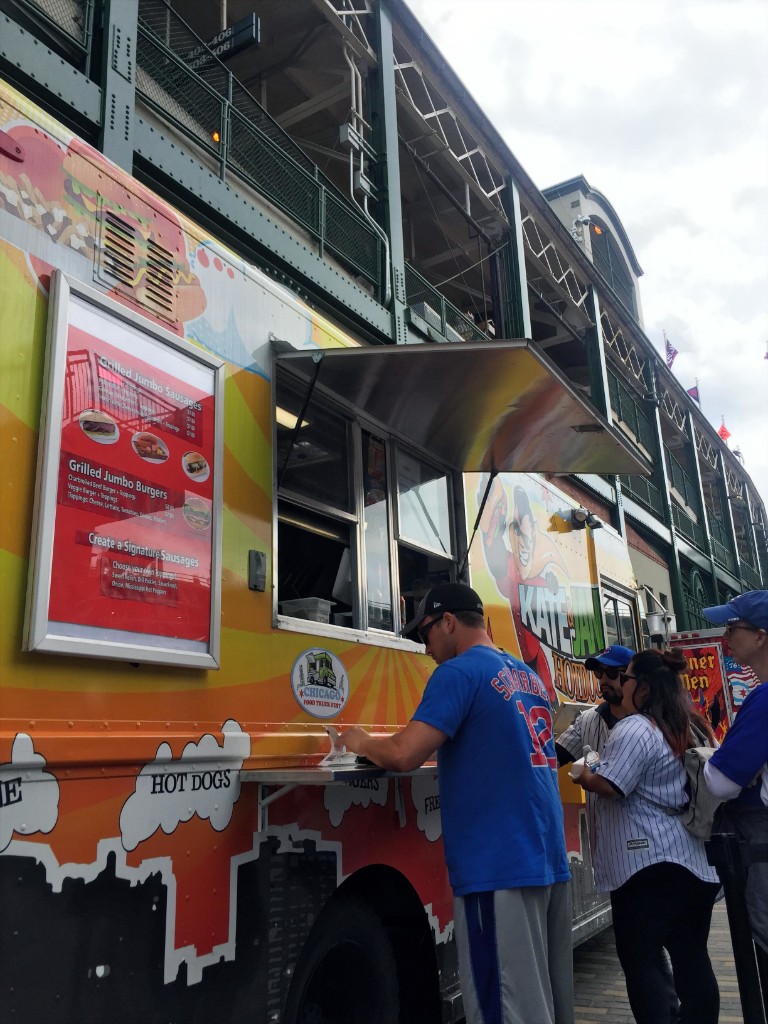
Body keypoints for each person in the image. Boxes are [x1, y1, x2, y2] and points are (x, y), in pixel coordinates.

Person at [339, 582, 574, 1024]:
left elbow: (405, 754)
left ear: (448, 621)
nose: (425, 647)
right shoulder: (525, 674)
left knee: (503, 1009)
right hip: (547, 858)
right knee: (545, 1001)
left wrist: (361, 740)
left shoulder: (459, 673)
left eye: (425, 633)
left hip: (497, 867)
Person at [577, 648, 720, 1024]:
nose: (619, 685)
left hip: (645, 866)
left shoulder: (637, 727)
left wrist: (586, 768)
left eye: (624, 678)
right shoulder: (693, 723)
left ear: (641, 685)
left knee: (642, 965)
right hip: (691, 861)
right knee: (692, 958)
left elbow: (611, 784)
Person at [702, 590, 768, 980]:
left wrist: (723, 763)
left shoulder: (763, 699)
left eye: (732, 627)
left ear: (760, 635)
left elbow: (718, 782)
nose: (726, 637)